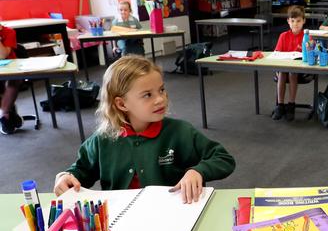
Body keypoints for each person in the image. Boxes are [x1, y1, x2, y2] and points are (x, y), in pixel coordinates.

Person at [53, 55, 235, 203]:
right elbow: (80, 171)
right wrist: (65, 177)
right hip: (120, 222)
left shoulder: (180, 132)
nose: (160, 99)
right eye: (147, 95)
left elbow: (223, 159)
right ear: (122, 103)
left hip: (173, 216)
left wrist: (198, 171)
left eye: (161, 90)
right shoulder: (103, 139)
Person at [271, 5, 306, 121]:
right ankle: (280, 105)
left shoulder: (306, 37)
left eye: (298, 21)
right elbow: (276, 53)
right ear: (288, 21)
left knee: (292, 73)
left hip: (299, 70)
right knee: (282, 72)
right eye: (292, 21)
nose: (295, 24)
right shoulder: (283, 36)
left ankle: (291, 105)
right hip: (283, 68)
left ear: (303, 21)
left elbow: (311, 54)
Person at [0, 22, 23, 135]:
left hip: (11, 69)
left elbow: (2, 55)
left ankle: (4, 114)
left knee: (14, 81)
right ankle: (7, 112)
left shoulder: (9, 32)